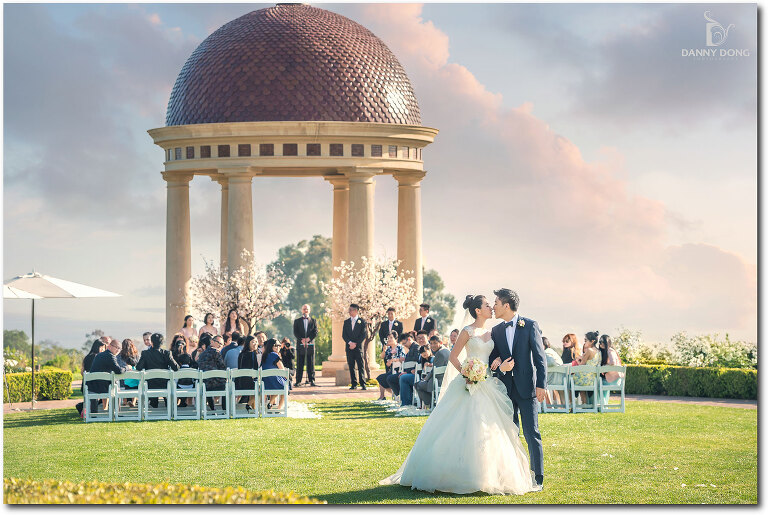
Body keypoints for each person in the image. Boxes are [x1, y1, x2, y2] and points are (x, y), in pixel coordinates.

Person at [381, 294, 535, 495]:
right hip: (467, 382)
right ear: (478, 311)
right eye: (487, 305)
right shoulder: (467, 331)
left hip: (487, 384)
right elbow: (454, 356)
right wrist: (467, 373)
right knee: (460, 425)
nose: (491, 307)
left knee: (488, 429)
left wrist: (498, 364)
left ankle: (487, 473)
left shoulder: (493, 332)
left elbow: (495, 356)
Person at [488, 288, 547, 491]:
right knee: (509, 434)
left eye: (496, 302)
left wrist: (541, 384)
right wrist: (495, 360)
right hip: (506, 389)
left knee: (532, 433)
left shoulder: (529, 325)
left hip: (527, 388)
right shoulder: (496, 331)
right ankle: (512, 476)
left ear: (506, 305)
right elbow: (492, 356)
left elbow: (540, 358)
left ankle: (537, 477)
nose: (493, 306)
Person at [136, 333, 180, 408]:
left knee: (153, 401)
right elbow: (176, 367)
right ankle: (168, 409)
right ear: (162, 343)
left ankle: (153, 407)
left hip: (150, 385)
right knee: (167, 394)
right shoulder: (167, 353)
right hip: (165, 385)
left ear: (152, 342)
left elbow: (138, 367)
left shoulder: (145, 354)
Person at [87, 339, 126, 414]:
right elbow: (119, 371)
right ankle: (117, 413)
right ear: (110, 347)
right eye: (116, 347)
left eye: (120, 348)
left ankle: (93, 414)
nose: (118, 350)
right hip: (101, 386)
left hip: (92, 386)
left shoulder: (100, 355)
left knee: (114, 385)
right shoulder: (110, 356)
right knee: (116, 388)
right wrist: (127, 368)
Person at [414, 335, 450, 408]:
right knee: (421, 383)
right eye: (431, 343)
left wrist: (426, 379)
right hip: (445, 379)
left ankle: (430, 404)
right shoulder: (447, 350)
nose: (433, 345)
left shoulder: (439, 353)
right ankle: (430, 403)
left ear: (440, 342)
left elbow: (434, 371)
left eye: (435, 343)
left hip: (438, 381)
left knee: (418, 385)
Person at [197, 333, 227, 412]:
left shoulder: (202, 354)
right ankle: (225, 410)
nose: (220, 345)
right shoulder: (216, 353)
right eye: (219, 343)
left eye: (222, 344)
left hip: (205, 384)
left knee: (207, 382)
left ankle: (212, 408)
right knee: (226, 385)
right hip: (217, 384)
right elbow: (223, 367)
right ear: (212, 342)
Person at [571, 331, 602, 405]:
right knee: (579, 377)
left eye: (586, 340)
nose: (584, 342)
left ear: (592, 341)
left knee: (569, 379)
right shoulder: (598, 351)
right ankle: (584, 404)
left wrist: (578, 360)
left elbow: (581, 365)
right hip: (592, 379)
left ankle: (572, 404)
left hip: (585, 379)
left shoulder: (589, 350)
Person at [397, 331, 426, 406]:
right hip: (416, 373)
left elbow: (417, 362)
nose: (420, 340)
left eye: (422, 338)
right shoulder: (418, 348)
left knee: (403, 378)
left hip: (422, 376)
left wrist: (410, 371)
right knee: (400, 377)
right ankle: (406, 401)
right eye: (418, 338)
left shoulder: (424, 349)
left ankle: (406, 403)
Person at [342, 303, 367, 390]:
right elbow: (344, 335)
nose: (349, 312)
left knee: (360, 366)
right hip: (349, 348)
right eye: (349, 310)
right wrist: (350, 343)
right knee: (351, 366)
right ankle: (354, 383)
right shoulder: (346, 322)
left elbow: (363, 334)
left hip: (358, 347)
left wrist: (355, 343)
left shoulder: (362, 322)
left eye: (351, 310)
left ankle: (363, 383)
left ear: (356, 311)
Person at [293, 304, 318, 387]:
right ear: (302, 310)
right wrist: (302, 340)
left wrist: (308, 339)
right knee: (300, 363)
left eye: (307, 309)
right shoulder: (297, 321)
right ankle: (298, 381)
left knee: (311, 363)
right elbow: (295, 332)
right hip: (300, 345)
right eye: (304, 309)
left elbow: (315, 332)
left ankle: (312, 380)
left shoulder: (313, 321)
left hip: (310, 345)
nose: (305, 310)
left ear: (309, 310)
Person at [376, 331, 404, 400]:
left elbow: (403, 358)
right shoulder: (388, 349)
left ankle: (397, 394)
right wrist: (384, 350)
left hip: (399, 369)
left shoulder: (400, 347)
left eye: (391, 338)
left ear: (396, 339)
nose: (389, 339)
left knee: (386, 378)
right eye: (388, 338)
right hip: (391, 369)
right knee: (380, 378)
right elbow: (382, 357)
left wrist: (393, 360)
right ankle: (382, 396)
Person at [260, 338, 287, 410]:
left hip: (265, 381)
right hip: (274, 380)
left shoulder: (264, 355)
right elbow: (282, 370)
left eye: (279, 345)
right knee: (285, 384)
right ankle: (278, 408)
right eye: (276, 345)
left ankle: (271, 403)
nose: (278, 347)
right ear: (271, 346)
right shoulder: (275, 355)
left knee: (278, 384)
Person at [172, 336, 197, 408]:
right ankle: (189, 406)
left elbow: (175, 381)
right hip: (191, 387)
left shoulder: (173, 357)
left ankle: (175, 407)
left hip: (179, 387)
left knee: (175, 385)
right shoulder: (188, 357)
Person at [598, 334, 624, 404]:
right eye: (599, 341)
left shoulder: (610, 351)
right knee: (600, 382)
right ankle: (603, 404)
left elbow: (613, 363)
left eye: (602, 342)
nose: (600, 343)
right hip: (613, 379)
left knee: (597, 383)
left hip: (614, 380)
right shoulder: (607, 351)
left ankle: (601, 405)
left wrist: (603, 368)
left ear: (607, 343)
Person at [237, 335, 259, 412]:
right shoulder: (252, 354)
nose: (255, 343)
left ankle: (253, 410)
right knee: (261, 388)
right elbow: (255, 369)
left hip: (240, 382)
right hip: (249, 382)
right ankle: (248, 404)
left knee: (255, 387)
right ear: (247, 343)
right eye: (253, 342)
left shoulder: (241, 354)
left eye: (256, 342)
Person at [117, 339, 140, 407]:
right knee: (135, 381)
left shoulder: (118, 356)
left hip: (122, 381)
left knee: (125, 381)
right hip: (135, 379)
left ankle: (125, 400)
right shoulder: (136, 355)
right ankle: (133, 401)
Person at [542, 337, 565, 406]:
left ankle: (546, 405)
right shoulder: (551, 351)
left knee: (539, 382)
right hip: (560, 378)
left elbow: (552, 362)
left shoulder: (546, 352)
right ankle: (549, 405)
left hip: (554, 379)